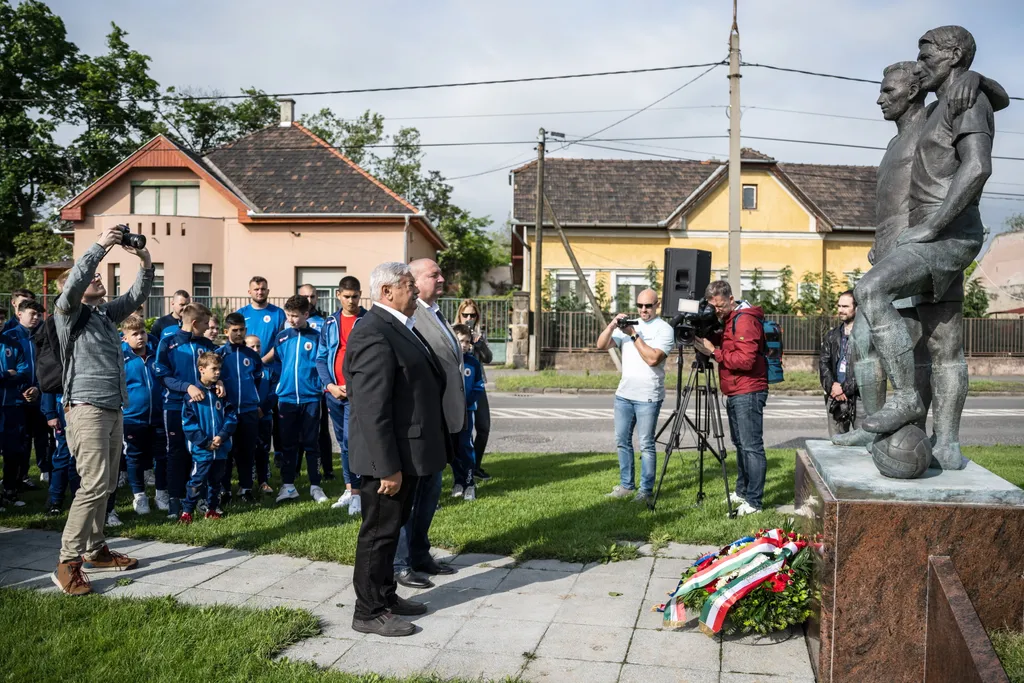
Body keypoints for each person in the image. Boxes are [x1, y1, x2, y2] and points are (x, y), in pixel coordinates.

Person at [854, 27, 997, 472]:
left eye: (927, 54)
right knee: (929, 341)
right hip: (924, 238)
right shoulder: (932, 112)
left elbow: (977, 166)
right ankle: (926, 436)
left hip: (942, 236)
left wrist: (976, 79)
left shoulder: (956, 101)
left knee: (881, 299)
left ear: (953, 56)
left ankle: (912, 406)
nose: (920, 62)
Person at [345, 262, 449, 637]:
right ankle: (368, 611)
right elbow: (372, 408)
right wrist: (387, 466)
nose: (417, 290)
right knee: (379, 533)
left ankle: (386, 596)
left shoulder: (399, 326)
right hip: (386, 458)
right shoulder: (374, 331)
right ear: (387, 291)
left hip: (406, 452)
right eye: (409, 284)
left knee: (390, 531)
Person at [51, 227, 154, 596]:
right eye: (92, 275)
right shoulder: (68, 312)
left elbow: (137, 293)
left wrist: (141, 258)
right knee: (93, 484)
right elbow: (77, 280)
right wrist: (101, 245)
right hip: (86, 406)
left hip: (112, 407)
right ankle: (68, 561)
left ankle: (96, 549)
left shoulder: (102, 316)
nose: (98, 275)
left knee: (107, 483)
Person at [394, 258, 462, 590]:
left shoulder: (434, 312)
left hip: (440, 420)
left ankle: (420, 554)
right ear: (414, 280)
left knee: (430, 491)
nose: (441, 278)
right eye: (433, 274)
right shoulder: (410, 315)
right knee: (412, 493)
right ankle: (401, 562)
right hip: (420, 421)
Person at [694, 280, 768, 517]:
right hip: (736, 390)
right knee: (740, 445)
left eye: (719, 306)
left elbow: (745, 361)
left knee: (751, 447)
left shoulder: (744, 320)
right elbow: (730, 346)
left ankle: (754, 502)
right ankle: (742, 491)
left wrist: (713, 353)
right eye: (713, 307)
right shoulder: (730, 320)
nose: (717, 311)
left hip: (749, 390)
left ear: (730, 298)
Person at [595, 289, 675, 504]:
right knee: (622, 441)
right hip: (624, 394)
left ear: (656, 305)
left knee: (646, 444)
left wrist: (633, 334)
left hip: (648, 395)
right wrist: (613, 325)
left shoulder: (664, 329)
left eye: (648, 306)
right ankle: (626, 486)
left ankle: (646, 491)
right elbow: (601, 345)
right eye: (640, 305)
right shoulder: (627, 326)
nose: (643, 310)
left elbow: (653, 359)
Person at [153, 303, 222, 519]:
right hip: (174, 406)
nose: (208, 327)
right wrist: (187, 387)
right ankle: (174, 499)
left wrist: (221, 383)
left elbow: (217, 368)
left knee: (201, 451)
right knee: (176, 453)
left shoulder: (206, 344)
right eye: (204, 324)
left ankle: (199, 498)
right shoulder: (168, 342)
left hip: (202, 409)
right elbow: (162, 375)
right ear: (194, 323)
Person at [263, 295, 327, 504]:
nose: (291, 320)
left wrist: (318, 386)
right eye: (289, 315)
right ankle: (288, 485)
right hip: (287, 398)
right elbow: (281, 361)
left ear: (306, 314)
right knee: (287, 443)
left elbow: (320, 363)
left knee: (311, 443)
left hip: (310, 397)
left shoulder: (317, 337)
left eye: (296, 316)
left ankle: (315, 485)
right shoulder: (282, 337)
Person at [317, 276, 367, 514]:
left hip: (358, 394)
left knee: (352, 440)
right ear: (338, 295)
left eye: (355, 296)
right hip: (334, 393)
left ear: (360, 295)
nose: (351, 301)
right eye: (346, 296)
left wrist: (356, 385)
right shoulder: (330, 323)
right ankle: (350, 488)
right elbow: (320, 358)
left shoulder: (368, 320)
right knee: (343, 443)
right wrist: (330, 386)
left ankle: (358, 492)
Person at [179, 352, 237, 524]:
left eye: (219, 369)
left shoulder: (221, 393)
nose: (218, 372)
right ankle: (187, 511)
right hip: (202, 450)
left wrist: (222, 436)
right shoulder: (192, 396)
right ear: (201, 369)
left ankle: (212, 509)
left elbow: (231, 417)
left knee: (216, 481)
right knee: (196, 480)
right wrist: (205, 442)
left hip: (220, 448)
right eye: (214, 369)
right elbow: (188, 424)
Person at [121, 315, 166, 517]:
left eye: (142, 332)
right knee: (134, 458)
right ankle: (139, 495)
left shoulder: (157, 355)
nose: (140, 337)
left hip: (157, 416)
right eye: (135, 334)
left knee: (161, 456)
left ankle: (161, 493)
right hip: (132, 417)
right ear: (125, 338)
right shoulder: (121, 358)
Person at [216, 313, 263, 504]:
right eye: (234, 330)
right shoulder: (219, 354)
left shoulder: (251, 355)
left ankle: (245, 488)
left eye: (241, 330)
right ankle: (225, 489)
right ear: (226, 331)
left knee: (247, 451)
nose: (238, 333)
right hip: (227, 411)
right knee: (227, 451)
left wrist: (252, 399)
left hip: (249, 411)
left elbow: (257, 379)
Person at [10, 299, 48, 488]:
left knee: (41, 435)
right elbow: (11, 369)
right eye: (32, 314)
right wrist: (22, 389)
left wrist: (39, 388)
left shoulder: (43, 335)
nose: (36, 318)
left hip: (39, 394)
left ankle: (44, 470)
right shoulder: (10, 337)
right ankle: (19, 477)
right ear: (19, 314)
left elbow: (49, 366)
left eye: (38, 314)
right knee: (20, 439)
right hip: (17, 396)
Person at [297, 284, 333, 482]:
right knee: (298, 432)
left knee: (321, 430)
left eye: (312, 296)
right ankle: (293, 471)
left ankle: (327, 469)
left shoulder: (324, 323)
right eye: (305, 296)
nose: (309, 300)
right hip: (297, 386)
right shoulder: (289, 324)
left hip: (319, 386)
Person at [456, 298, 493, 480]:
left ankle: (475, 466)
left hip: (477, 386)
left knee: (484, 427)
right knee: (460, 432)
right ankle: (460, 471)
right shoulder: (452, 331)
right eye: (466, 315)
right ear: (460, 315)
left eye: (472, 315)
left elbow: (488, 358)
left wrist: (478, 344)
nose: (469, 318)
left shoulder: (479, 335)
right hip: (458, 386)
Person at [451, 324, 486, 501]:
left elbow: (479, 386)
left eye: (467, 341)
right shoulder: (449, 361)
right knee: (453, 449)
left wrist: (468, 401)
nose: (464, 345)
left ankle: (469, 483)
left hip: (466, 412)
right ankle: (458, 481)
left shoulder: (472, 363)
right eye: (460, 341)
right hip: (450, 413)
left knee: (466, 446)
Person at [820, 291, 860, 438]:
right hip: (835, 397)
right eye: (839, 306)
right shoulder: (832, 335)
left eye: (845, 306)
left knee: (862, 447)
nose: (840, 310)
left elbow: (870, 368)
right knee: (836, 444)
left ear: (856, 308)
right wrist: (832, 387)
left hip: (859, 396)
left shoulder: (867, 335)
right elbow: (823, 363)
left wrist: (844, 388)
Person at [0, 329, 29, 508]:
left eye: (1, 319)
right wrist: (5, 374)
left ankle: (10, 491)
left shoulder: (12, 343)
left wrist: (11, 377)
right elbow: (11, 373)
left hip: (12, 405)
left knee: (13, 451)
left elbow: (23, 372)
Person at [246, 334, 277, 494]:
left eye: (258, 346)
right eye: (252, 346)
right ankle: (247, 481)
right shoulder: (243, 369)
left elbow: (273, 392)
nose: (256, 349)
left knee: (263, 448)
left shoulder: (268, 370)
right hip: (246, 415)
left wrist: (263, 409)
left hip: (264, 416)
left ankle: (263, 480)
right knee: (246, 448)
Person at [43, 390, 78, 516]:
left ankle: (79, 500)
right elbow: (49, 384)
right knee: (63, 455)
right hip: (65, 407)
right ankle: (55, 501)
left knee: (81, 458)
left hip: (86, 407)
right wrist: (50, 413)